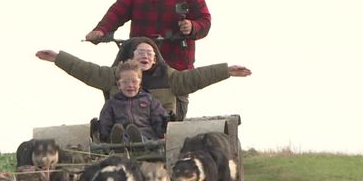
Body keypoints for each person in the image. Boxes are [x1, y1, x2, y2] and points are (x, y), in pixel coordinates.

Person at [85, 0, 212, 119]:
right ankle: (113, 131)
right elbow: (117, 12)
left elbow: (205, 21)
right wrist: (101, 30)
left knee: (172, 119)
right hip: (137, 69)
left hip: (174, 69)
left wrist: (192, 26)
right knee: (112, 84)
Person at [35, 37, 251, 121]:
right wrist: (57, 58)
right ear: (131, 57)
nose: (145, 55)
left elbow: (197, 77)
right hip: (122, 123)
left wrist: (227, 71)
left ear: (156, 59)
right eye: (140, 52)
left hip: (159, 126)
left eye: (150, 53)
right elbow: (86, 70)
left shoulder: (170, 77)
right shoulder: (114, 75)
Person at [98, 59, 168, 144]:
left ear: (140, 83)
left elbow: (158, 119)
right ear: (119, 85)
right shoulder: (112, 104)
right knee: (121, 135)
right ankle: (118, 144)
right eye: (125, 82)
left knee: (144, 138)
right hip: (123, 137)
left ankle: (138, 142)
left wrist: (163, 128)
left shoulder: (149, 101)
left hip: (147, 137)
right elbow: (105, 124)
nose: (130, 85)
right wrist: (104, 135)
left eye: (134, 81)